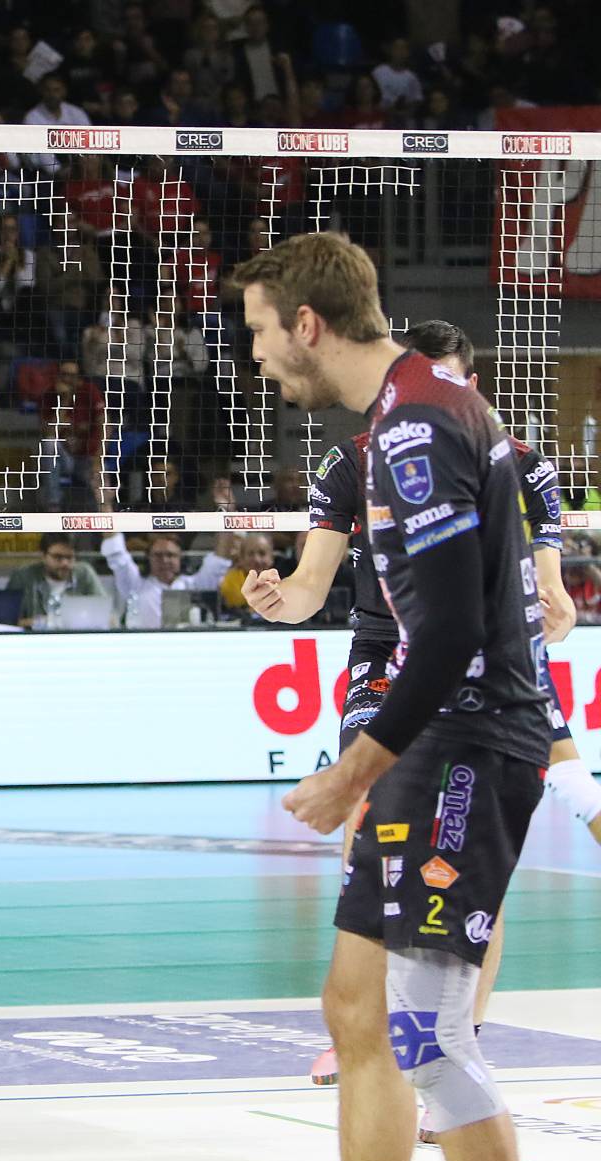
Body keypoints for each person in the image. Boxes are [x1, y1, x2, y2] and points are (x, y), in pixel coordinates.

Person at [234, 233, 548, 1161]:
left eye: (261, 332)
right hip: (439, 735)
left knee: (431, 1036)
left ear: (308, 323)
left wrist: (351, 771)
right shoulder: (406, 412)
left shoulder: (416, 428)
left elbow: (452, 632)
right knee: (354, 1004)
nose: (256, 355)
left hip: (466, 742)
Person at [245, 318, 588, 1112]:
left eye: (448, 383)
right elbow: (306, 591)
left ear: (470, 386)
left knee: (478, 859)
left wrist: (553, 609)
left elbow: (556, 605)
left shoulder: (521, 466)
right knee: (368, 821)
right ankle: (365, 1029)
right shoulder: (354, 460)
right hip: (384, 655)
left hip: (489, 661)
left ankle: (459, 1039)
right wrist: (277, 600)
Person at [99, 482, 238, 628]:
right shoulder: (135, 585)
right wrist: (105, 504)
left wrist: (228, 511)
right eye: (158, 555)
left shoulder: (194, 586)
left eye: (170, 555)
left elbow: (220, 560)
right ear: (149, 559)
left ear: (180, 558)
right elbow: (116, 552)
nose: (165, 560)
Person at [5, 532, 102, 628]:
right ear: (43, 556)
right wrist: (46, 622)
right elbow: (7, 622)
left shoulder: (84, 573)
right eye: (58, 557)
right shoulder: (23, 576)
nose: (65, 563)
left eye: (69, 557)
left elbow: (106, 616)